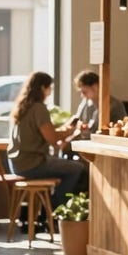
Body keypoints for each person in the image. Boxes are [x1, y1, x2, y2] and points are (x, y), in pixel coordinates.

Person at [7, 71, 88, 211]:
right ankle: (56, 208)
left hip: (16, 164)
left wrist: (65, 129)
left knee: (66, 166)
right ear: (42, 88)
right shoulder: (39, 108)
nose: (50, 92)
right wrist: (71, 131)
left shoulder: (22, 106)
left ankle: (50, 208)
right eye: (49, 87)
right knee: (78, 168)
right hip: (33, 164)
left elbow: (46, 132)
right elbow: (52, 138)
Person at [69, 70, 126, 139]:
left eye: (84, 92)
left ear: (95, 87)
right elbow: (77, 121)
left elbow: (121, 131)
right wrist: (79, 126)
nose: (82, 95)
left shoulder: (115, 106)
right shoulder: (86, 102)